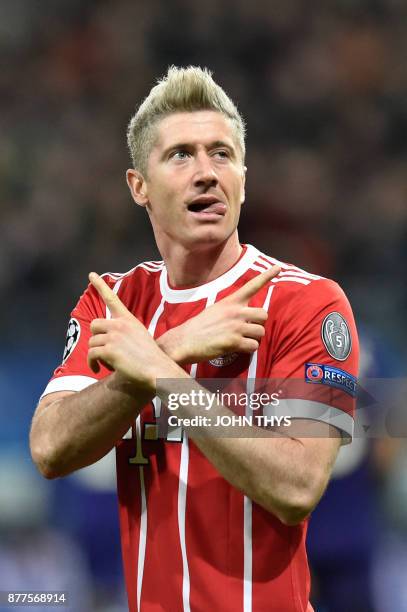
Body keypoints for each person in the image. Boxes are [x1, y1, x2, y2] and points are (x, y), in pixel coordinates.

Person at [30, 66, 359, 612]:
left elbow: (297, 489)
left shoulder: (308, 303)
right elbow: (49, 448)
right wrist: (175, 347)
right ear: (139, 186)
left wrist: (159, 372)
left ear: (244, 179)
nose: (206, 172)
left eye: (222, 154)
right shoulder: (112, 301)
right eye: (181, 155)